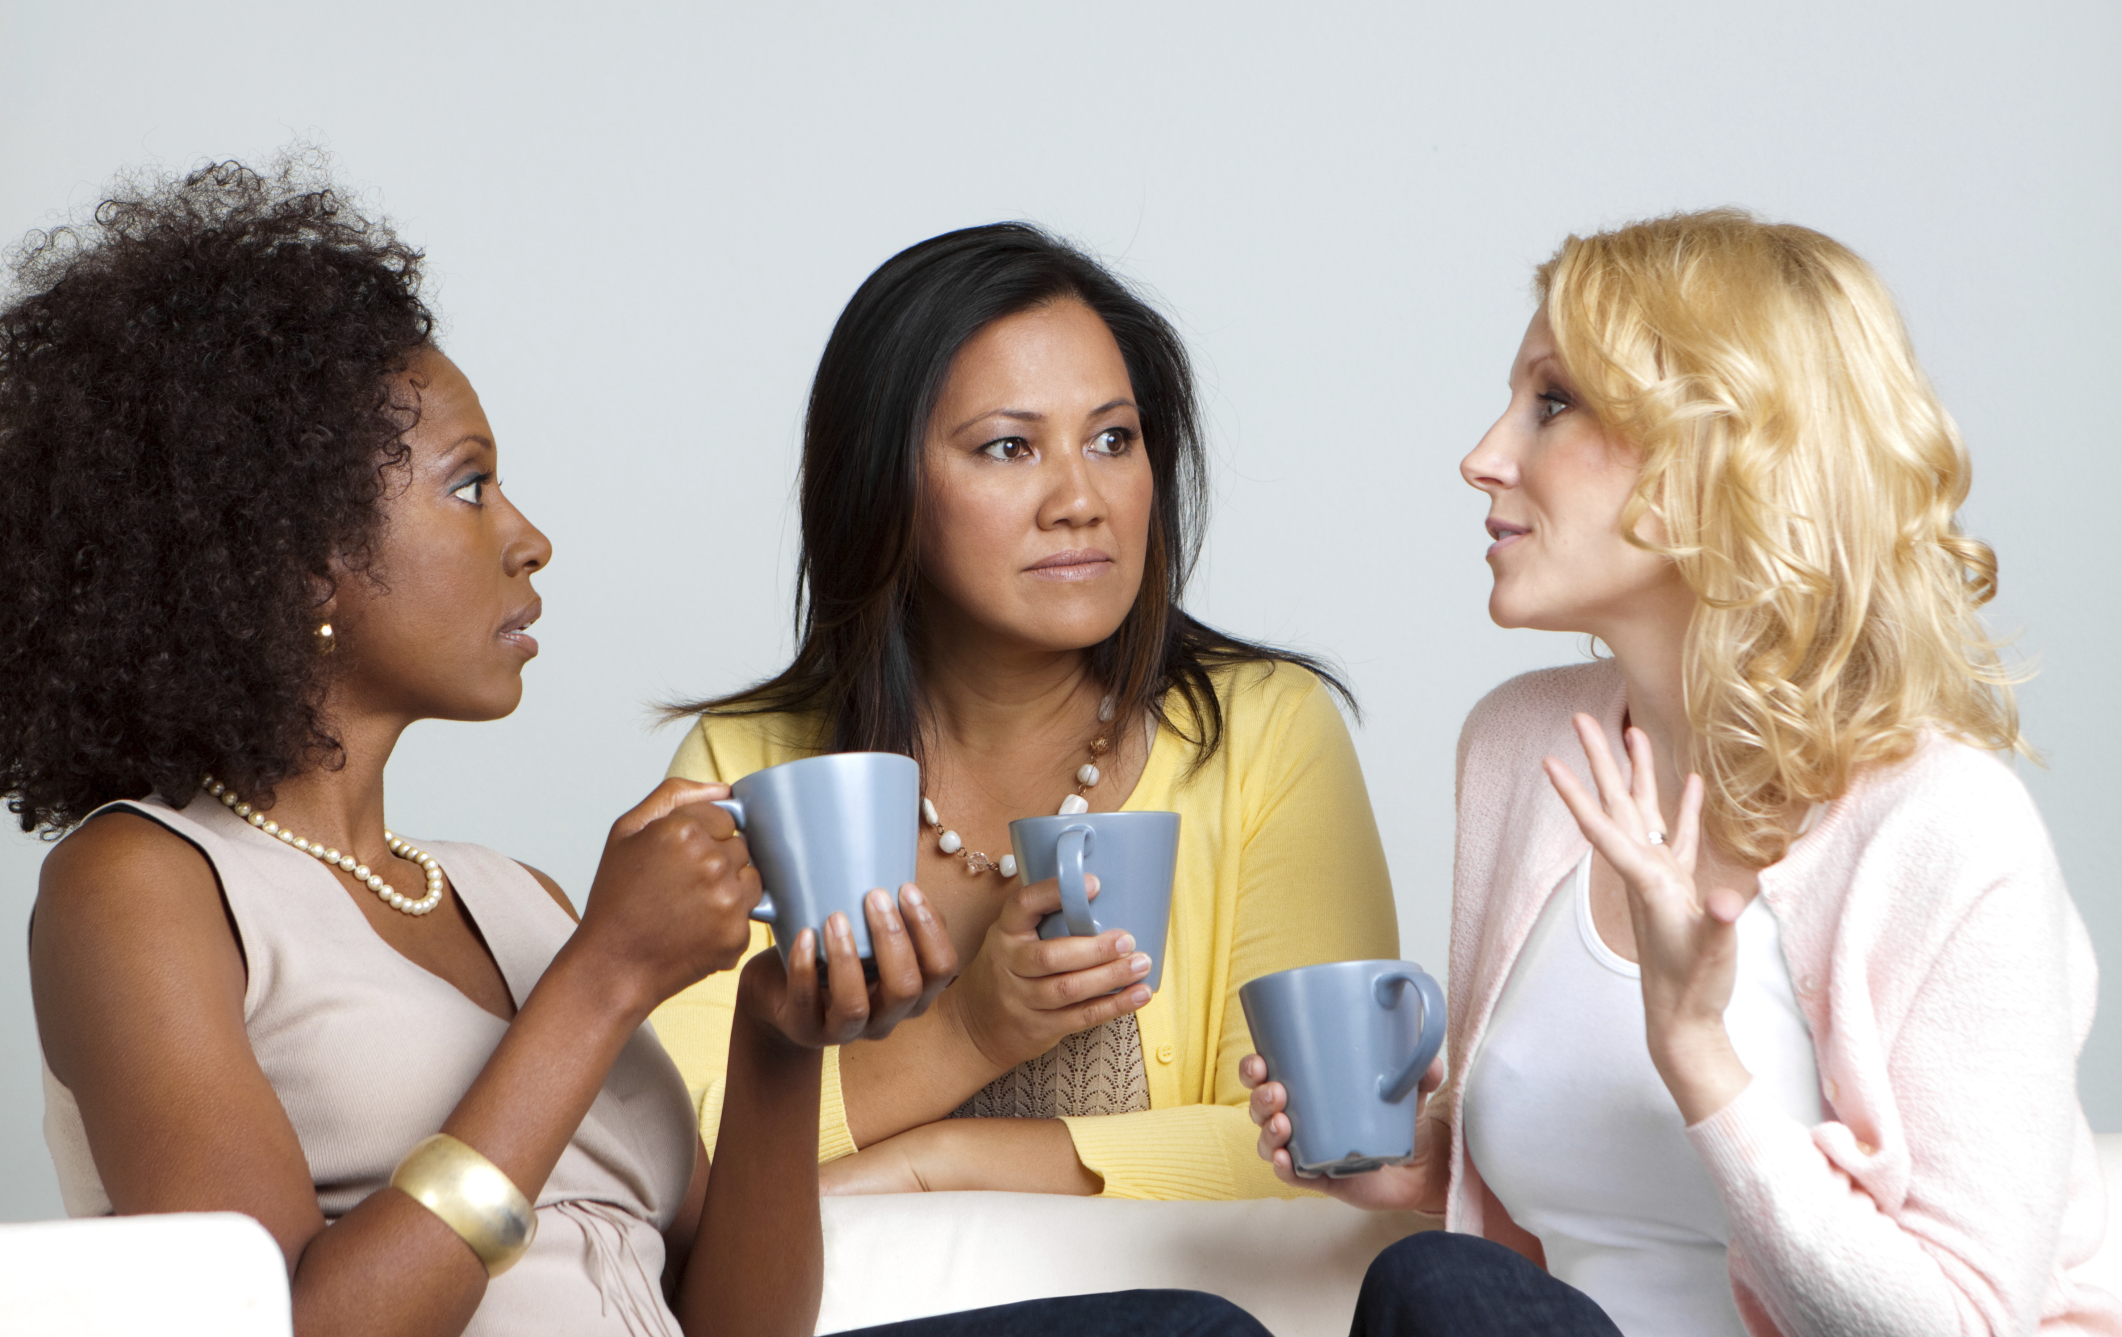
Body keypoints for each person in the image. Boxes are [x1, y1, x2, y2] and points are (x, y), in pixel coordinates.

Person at [5, 159, 1265, 1337]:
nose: (529, 536)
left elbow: (738, 1325)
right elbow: (289, 1327)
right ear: (291, 550)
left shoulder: (511, 899)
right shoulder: (142, 884)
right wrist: (603, 979)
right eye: (468, 484)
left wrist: (779, 1038)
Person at [1245, 210, 2121, 1335]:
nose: (1483, 456)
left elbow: (1959, 1325)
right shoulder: (1522, 747)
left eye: (1551, 403)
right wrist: (1421, 1161)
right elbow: (1578, 1216)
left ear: (1715, 456)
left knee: (1432, 1290)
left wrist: (1698, 1049)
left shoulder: (1945, 827)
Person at [652, 222, 1397, 1199]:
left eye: (1111, 439)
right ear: (883, 484)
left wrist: (936, 1161)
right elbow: (664, 1156)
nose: (1080, 498)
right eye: (1008, 446)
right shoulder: (750, 759)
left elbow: (1327, 1153)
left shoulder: (1261, 732)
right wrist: (967, 1034)